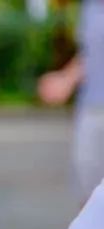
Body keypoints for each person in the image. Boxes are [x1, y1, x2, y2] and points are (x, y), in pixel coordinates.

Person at [38, 0, 104, 200]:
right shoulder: (91, 6)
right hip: (91, 108)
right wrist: (66, 79)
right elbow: (91, 54)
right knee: (89, 195)